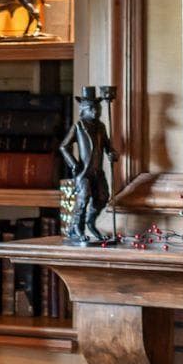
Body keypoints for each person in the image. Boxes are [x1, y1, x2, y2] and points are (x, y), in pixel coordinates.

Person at [58, 86, 118, 246]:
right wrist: (74, 164)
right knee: (83, 199)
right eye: (92, 108)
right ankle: (77, 228)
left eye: (97, 108)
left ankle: (91, 223)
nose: (96, 111)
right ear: (84, 110)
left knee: (102, 197)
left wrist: (112, 153)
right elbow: (64, 146)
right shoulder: (79, 126)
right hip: (83, 172)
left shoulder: (101, 127)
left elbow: (107, 145)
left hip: (97, 172)